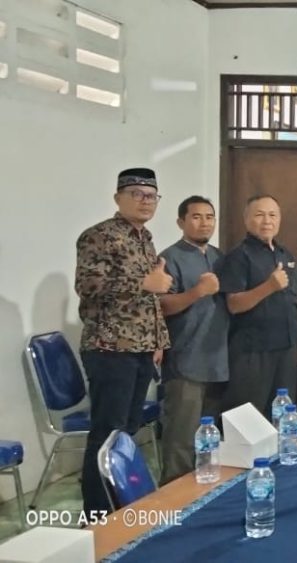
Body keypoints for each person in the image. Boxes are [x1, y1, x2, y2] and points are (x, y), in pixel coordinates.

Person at [75, 167, 171, 514]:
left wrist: (158, 340)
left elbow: (150, 299)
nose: (145, 201)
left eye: (151, 196)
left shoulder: (144, 238)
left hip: (141, 349)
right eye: (137, 194)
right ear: (118, 198)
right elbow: (88, 286)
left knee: (127, 432)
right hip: (110, 349)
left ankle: (122, 506)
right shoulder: (99, 235)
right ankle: (98, 514)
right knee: (107, 433)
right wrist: (143, 284)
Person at [158, 196, 228, 484]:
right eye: (196, 217)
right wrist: (197, 292)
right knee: (181, 440)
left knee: (210, 440)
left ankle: (205, 495)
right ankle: (174, 499)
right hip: (185, 360)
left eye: (209, 217)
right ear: (181, 222)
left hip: (218, 360)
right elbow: (161, 306)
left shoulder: (220, 257)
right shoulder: (169, 257)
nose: (204, 223)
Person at [218, 195, 297, 416]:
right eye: (259, 215)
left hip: (286, 349)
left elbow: (293, 303)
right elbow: (234, 304)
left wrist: (295, 344)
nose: (267, 221)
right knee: (249, 418)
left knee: (283, 415)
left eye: (272, 215)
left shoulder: (285, 254)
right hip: (253, 351)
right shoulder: (238, 256)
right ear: (246, 219)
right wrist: (269, 286)